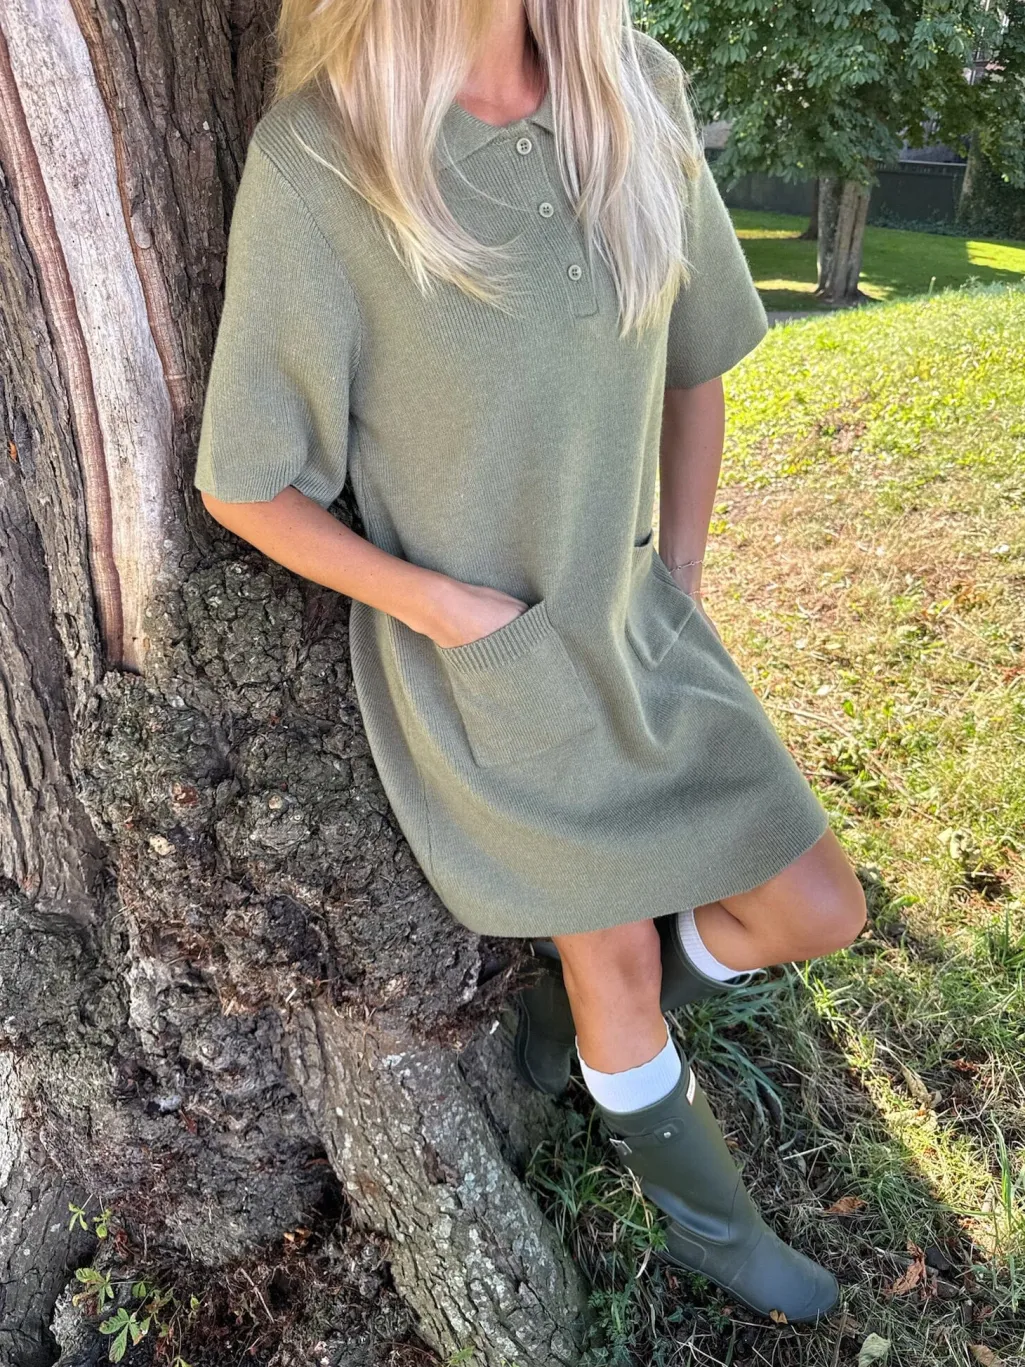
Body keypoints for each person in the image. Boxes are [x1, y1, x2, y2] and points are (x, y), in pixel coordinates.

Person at [194, 0, 867, 1327]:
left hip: (638, 621)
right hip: (493, 671)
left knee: (817, 908)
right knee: (616, 963)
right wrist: (447, 610)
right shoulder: (323, 159)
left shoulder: (636, 93)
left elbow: (695, 367)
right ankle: (712, 1226)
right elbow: (247, 484)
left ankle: (571, 1033)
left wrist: (680, 573)